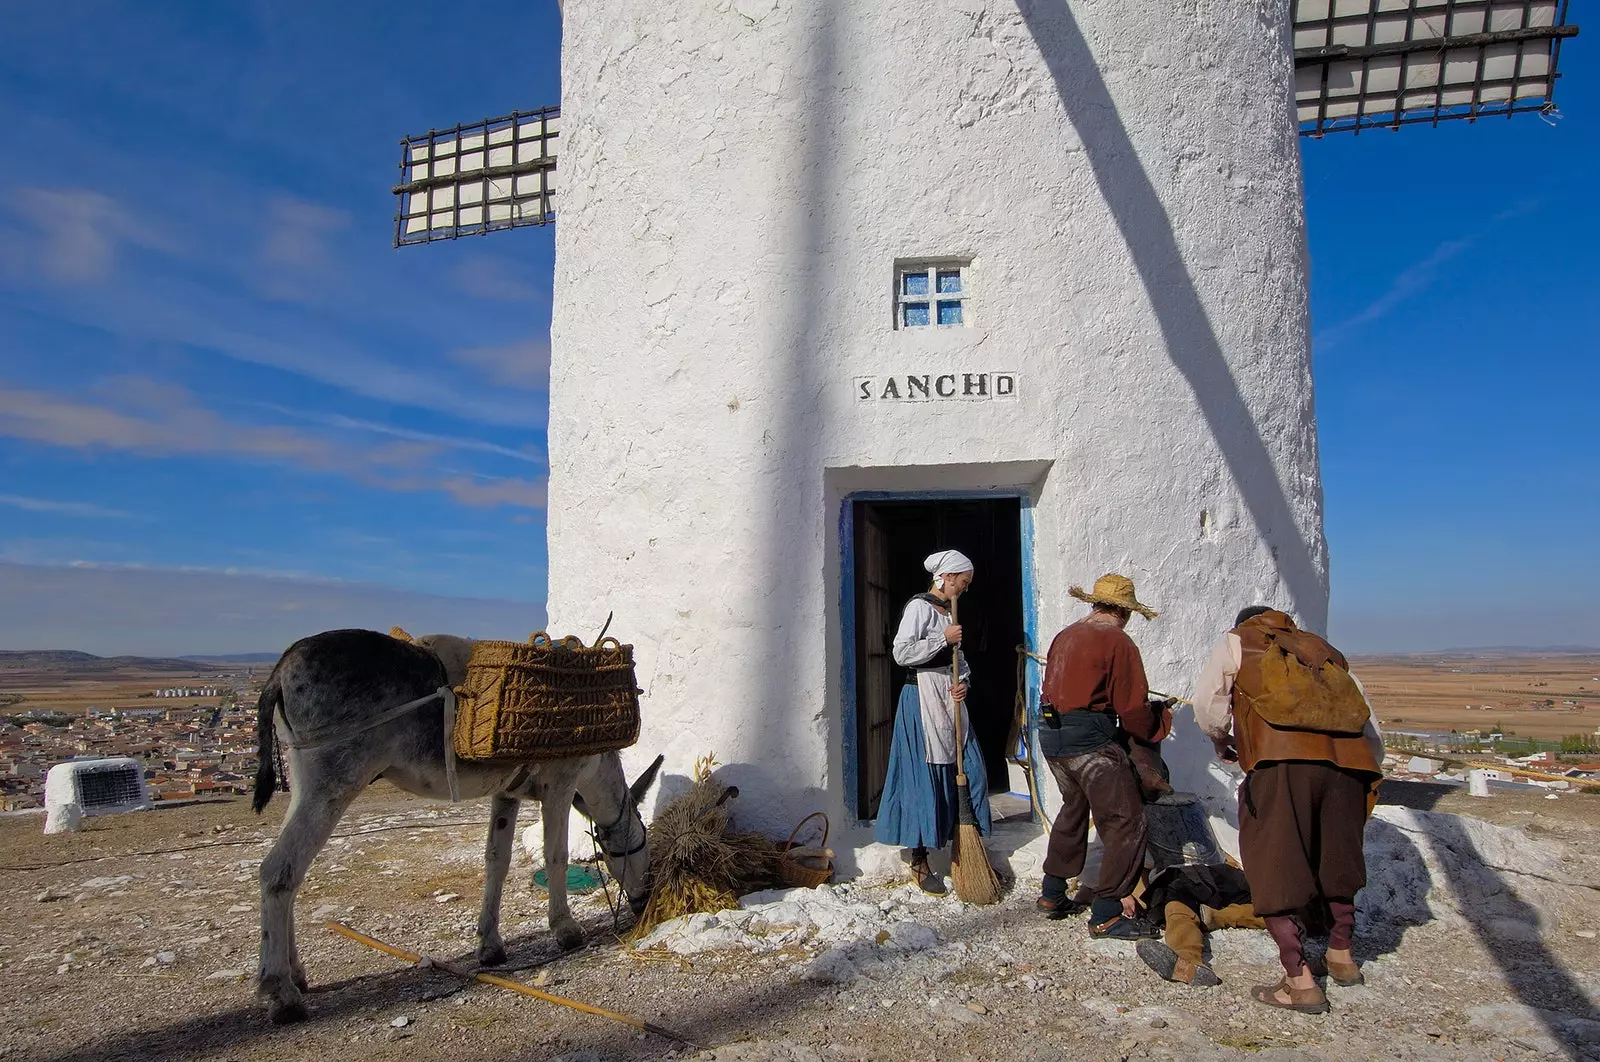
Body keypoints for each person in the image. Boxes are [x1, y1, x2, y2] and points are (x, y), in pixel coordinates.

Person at [1193, 606, 1385, 1015]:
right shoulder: (1320, 649)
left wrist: (1220, 739)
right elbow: (1365, 717)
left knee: (1274, 863)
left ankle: (1299, 983)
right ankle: (1342, 957)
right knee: (1338, 859)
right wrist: (1365, 769)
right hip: (1350, 766)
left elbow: (1207, 704)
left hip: (1281, 766)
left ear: (1244, 623)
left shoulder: (1237, 641)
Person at [1035, 573, 1164, 938]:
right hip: (1090, 742)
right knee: (1126, 820)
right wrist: (1158, 724)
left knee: (1074, 808)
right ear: (1125, 613)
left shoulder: (1067, 634)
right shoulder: (1117, 641)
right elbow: (1133, 708)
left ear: (1095, 605)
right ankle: (1107, 913)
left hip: (1052, 737)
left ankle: (1052, 893)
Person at [874, 549, 992, 894]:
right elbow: (901, 652)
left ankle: (965, 849)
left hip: (947, 696)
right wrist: (943, 638)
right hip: (921, 697)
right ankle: (919, 860)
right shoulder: (919, 607)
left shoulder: (948, 612)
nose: (965, 589)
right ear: (949, 577)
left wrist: (962, 683)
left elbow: (960, 661)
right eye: (964, 582)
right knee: (923, 776)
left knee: (971, 768)